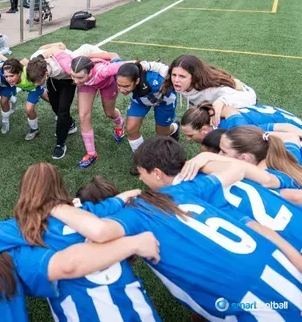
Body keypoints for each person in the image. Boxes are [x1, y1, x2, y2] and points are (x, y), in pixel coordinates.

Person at [52, 137, 302, 321]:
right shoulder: (194, 188)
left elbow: (99, 232)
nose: (140, 179)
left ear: (157, 173)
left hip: (249, 302)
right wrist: (206, 158)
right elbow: (236, 170)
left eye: (141, 173)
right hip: (281, 270)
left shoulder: (141, 212)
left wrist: (54, 207)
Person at [0, 165, 162, 322]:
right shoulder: (91, 211)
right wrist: (132, 191)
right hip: (138, 310)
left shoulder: (21, 228)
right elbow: (119, 200)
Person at [116, 61, 179, 174]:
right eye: (119, 85)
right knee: (131, 129)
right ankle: (142, 160)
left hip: (164, 101)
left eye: (126, 86)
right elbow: (113, 56)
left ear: (137, 81)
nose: (121, 90)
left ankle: (175, 127)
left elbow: (172, 76)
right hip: (140, 100)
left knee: (162, 134)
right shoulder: (118, 73)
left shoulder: (156, 81)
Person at [161, 55, 257, 122]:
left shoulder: (213, 90)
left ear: (194, 76)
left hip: (242, 104)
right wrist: (147, 66)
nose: (176, 80)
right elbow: (160, 68)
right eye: (174, 75)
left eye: (182, 76)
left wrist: (222, 101)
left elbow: (250, 97)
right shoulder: (174, 77)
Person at [69, 55, 125, 168]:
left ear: (89, 73)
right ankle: (91, 153)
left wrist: (151, 66)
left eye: (79, 77)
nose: (75, 81)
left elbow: (130, 64)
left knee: (109, 113)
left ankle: (120, 124)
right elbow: (56, 53)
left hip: (107, 83)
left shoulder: (104, 71)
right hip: (87, 84)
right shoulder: (71, 67)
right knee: (83, 115)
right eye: (73, 76)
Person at [181, 102, 302, 143]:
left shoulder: (236, 130)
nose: (188, 139)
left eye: (190, 135)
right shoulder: (216, 116)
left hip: (292, 126)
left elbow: (286, 127)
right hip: (280, 117)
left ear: (204, 130)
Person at [2, 58, 48, 141]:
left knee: (29, 109)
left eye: (11, 76)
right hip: (29, 88)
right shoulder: (7, 71)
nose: (8, 79)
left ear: (19, 73)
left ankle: (34, 129)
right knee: (52, 100)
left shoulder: (27, 73)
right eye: (6, 76)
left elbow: (26, 61)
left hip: (35, 88)